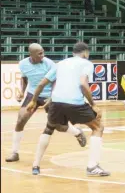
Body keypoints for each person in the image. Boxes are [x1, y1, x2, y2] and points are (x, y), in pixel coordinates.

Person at [26, 42, 109, 176]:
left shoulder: (61, 63)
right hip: (74, 103)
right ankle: (92, 167)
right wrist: (93, 104)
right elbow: (83, 83)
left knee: (49, 128)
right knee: (98, 127)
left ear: (73, 53)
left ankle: (35, 165)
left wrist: (34, 100)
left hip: (56, 102)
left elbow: (42, 83)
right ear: (85, 53)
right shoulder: (86, 63)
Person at [5, 43, 84, 163]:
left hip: (50, 96)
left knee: (59, 126)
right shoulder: (23, 64)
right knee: (20, 120)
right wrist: (22, 91)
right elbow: (24, 78)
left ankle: (77, 133)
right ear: (31, 55)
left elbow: (55, 81)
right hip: (33, 95)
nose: (43, 55)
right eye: (40, 53)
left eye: (43, 52)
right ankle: (15, 153)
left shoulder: (50, 64)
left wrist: (53, 96)